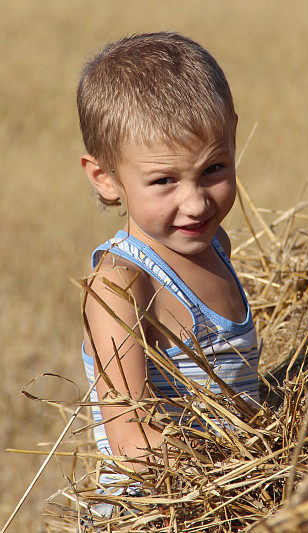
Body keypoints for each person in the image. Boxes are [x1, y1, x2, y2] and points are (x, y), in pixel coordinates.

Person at [76, 32, 260, 497]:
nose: (196, 203)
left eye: (213, 169)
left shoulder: (217, 244)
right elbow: (131, 440)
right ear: (106, 179)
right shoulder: (120, 286)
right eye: (163, 181)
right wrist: (251, 471)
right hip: (163, 509)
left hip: (238, 494)